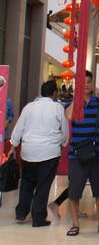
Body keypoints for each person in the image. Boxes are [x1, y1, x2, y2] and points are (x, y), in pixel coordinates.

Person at [52, 71, 99, 236]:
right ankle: (75, 224)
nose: (87, 85)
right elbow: (68, 117)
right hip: (77, 155)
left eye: (89, 82)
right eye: (84, 82)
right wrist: (77, 99)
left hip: (98, 154)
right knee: (74, 192)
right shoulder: (71, 103)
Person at [11, 79, 69, 228]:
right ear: (54, 93)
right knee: (43, 185)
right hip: (49, 152)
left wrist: (14, 144)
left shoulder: (29, 107)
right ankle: (38, 218)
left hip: (29, 151)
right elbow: (64, 132)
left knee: (27, 182)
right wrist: (61, 144)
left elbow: (19, 128)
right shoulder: (58, 108)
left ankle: (21, 213)